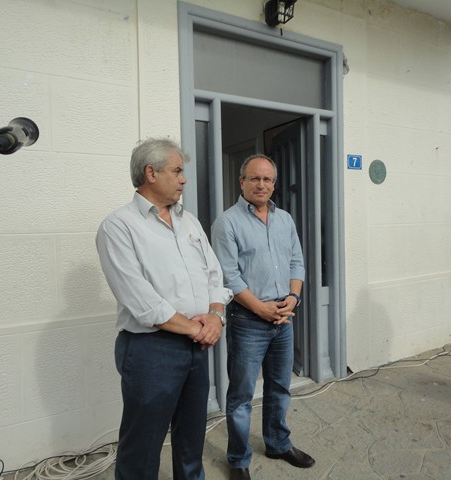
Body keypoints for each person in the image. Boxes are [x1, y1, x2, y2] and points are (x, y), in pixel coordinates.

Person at [96, 138, 233, 480]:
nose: (184, 179)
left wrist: (216, 316)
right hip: (151, 350)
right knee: (142, 449)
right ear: (151, 173)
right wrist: (199, 328)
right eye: (177, 171)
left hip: (197, 346)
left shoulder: (190, 222)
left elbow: (214, 274)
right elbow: (141, 299)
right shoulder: (119, 226)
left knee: (191, 440)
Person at [211, 154, 315, 480]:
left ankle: (278, 444)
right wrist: (261, 308)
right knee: (241, 396)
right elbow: (228, 276)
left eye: (267, 179)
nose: (261, 184)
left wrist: (293, 298)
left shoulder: (285, 219)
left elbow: (297, 262)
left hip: (283, 317)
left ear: (274, 184)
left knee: (280, 387)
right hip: (248, 321)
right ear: (241, 182)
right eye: (255, 178)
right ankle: (238, 460)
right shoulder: (227, 223)